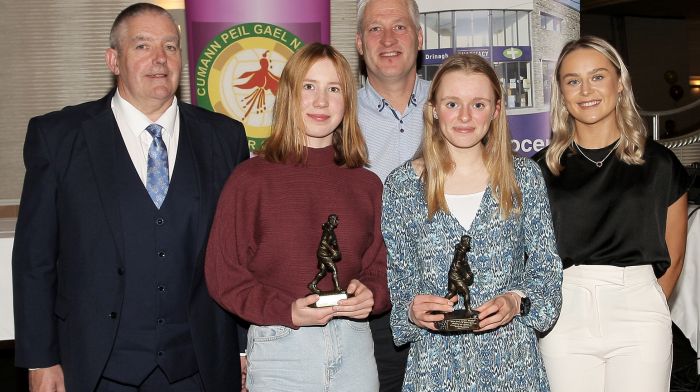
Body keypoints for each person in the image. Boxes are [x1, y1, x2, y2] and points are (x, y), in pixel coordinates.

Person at [11, 3, 249, 391]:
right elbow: (34, 261)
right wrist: (41, 359)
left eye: (170, 47)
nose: (160, 59)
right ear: (114, 60)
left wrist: (241, 349)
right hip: (96, 369)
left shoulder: (224, 138)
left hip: (199, 368)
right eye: (142, 46)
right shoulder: (59, 137)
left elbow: (238, 254)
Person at [205, 42, 390, 392]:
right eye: (309, 87)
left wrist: (373, 293)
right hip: (281, 348)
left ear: (347, 102)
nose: (321, 101)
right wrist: (284, 310)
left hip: (355, 348)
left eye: (333, 89)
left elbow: (380, 267)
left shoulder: (367, 184)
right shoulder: (250, 179)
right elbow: (223, 275)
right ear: (289, 95)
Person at [381, 53, 563, 391]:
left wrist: (515, 300)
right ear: (433, 109)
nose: (465, 116)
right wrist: (411, 310)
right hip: (435, 368)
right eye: (452, 103)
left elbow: (546, 271)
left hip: (512, 366)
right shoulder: (402, 186)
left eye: (478, 104)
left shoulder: (523, 178)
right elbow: (399, 279)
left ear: (495, 111)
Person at [534, 36, 690, 392]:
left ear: (620, 83)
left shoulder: (660, 163)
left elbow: (675, 255)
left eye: (598, 77)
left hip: (638, 309)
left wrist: (646, 302)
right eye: (573, 80)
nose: (585, 89)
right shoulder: (540, 169)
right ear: (561, 91)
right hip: (564, 312)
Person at [355, 0, 428, 388]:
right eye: (374, 29)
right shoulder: (336, 115)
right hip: (370, 304)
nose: (387, 39)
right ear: (359, 44)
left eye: (399, 27)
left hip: (450, 298)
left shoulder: (456, 106)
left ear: (419, 38)